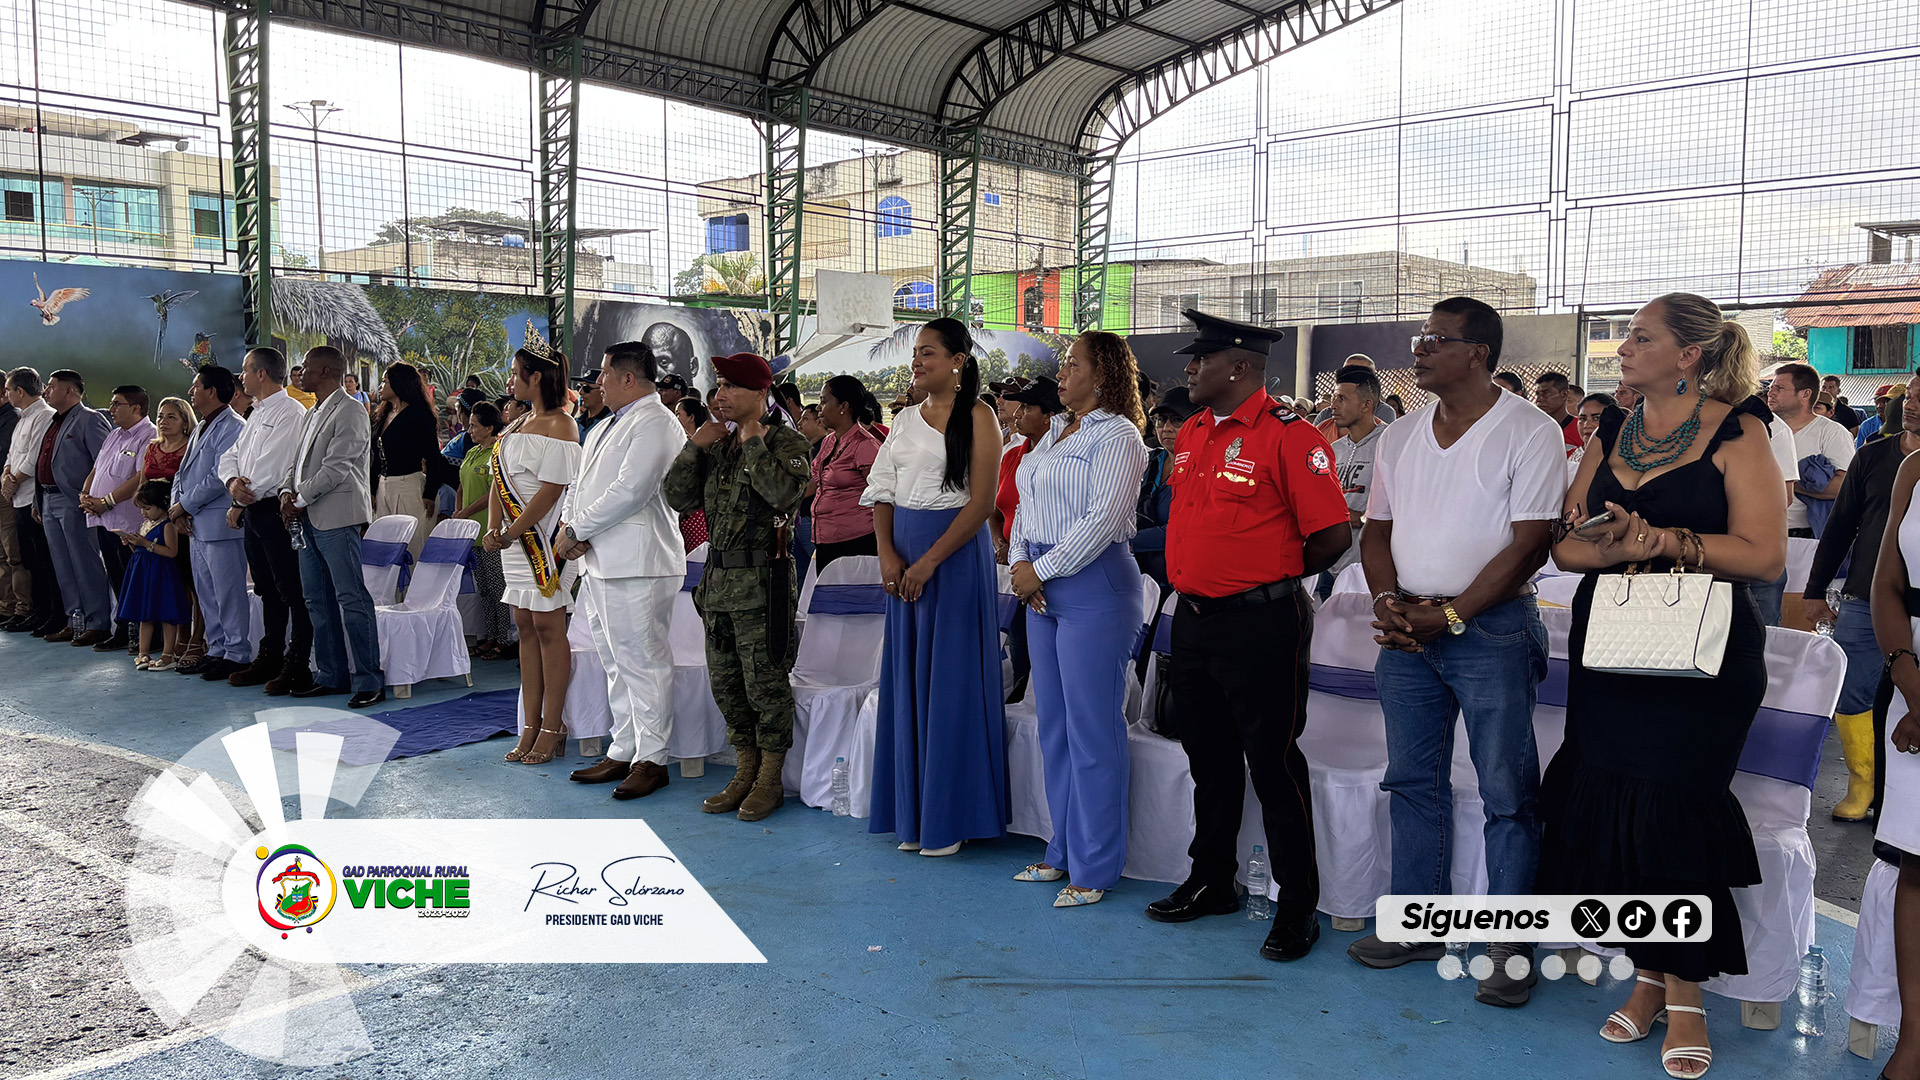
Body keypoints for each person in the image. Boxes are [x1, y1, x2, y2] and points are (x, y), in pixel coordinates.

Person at [1541, 293, 1780, 1076]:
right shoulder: (1611, 427)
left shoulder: (1740, 431)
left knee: (1674, 812)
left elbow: (1765, 554)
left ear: (1689, 356)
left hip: (1702, 657)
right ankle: (1650, 980)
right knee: (1617, 807)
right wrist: (1613, 549)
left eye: (1640, 338)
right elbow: (1566, 546)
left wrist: (1665, 542)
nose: (1623, 350)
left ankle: (1685, 998)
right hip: (1613, 641)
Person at [1349, 297, 1566, 1007]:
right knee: (1412, 782)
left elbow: (1530, 543)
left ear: (1478, 353)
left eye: (1436, 339)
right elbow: (1377, 531)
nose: (1419, 349)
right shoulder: (1400, 435)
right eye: (1420, 337)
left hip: (1492, 630)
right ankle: (1420, 926)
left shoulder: (1529, 431)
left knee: (1508, 793)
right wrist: (1388, 602)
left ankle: (1510, 947)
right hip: (1409, 628)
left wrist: (1450, 615)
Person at [1144, 310, 1349, 963]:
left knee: (1273, 764)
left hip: (1261, 624)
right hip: (1193, 620)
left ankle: (1296, 904)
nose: (1189, 370)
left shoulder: (1290, 437)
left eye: (1199, 359)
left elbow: (1332, 536)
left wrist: (1266, 577)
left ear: (1238, 367)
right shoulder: (1194, 431)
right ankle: (1211, 879)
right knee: (1207, 758)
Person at [1004, 331, 1149, 907]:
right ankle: (1061, 848)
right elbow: (1025, 506)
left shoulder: (1119, 436)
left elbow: (1103, 519)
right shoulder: (1052, 435)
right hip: (1042, 584)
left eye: (1072, 365)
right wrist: (1021, 561)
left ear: (1103, 374)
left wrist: (1038, 570)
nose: (1061, 374)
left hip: (1094, 585)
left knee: (1093, 729)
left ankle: (1096, 865)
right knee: (1055, 727)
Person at [860, 319, 1007, 856]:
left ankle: (950, 817)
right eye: (916, 353)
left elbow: (982, 503)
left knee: (951, 683)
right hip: (903, 558)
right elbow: (882, 491)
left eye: (928, 352)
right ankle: (914, 815)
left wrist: (928, 563)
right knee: (908, 682)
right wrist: (888, 554)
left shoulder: (980, 416)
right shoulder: (902, 419)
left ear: (957, 361)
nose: (917, 361)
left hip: (954, 559)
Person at [665, 352, 812, 821]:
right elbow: (677, 497)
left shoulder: (787, 442)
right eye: (720, 385)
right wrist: (695, 447)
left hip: (763, 586)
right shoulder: (716, 444)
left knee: (766, 686)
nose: (720, 395)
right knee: (727, 686)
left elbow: (784, 496)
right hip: (718, 584)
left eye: (731, 386)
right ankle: (744, 770)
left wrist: (752, 444)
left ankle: (769, 779)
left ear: (760, 393)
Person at [557, 340, 688, 801]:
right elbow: (579, 485)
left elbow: (632, 490)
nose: (598, 383)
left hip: (640, 561)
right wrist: (570, 527)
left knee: (644, 662)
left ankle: (653, 758)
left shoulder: (657, 421)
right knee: (615, 662)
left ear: (628, 378)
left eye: (604, 374)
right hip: (601, 560)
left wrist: (577, 528)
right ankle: (625, 747)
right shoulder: (604, 426)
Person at [1805, 376, 1920, 823]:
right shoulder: (1872, 455)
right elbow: (1840, 525)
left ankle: (1898, 788)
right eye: (1910, 395)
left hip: (1916, 602)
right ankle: (1863, 784)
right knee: (1852, 691)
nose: (1910, 404)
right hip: (1865, 595)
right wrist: (1815, 590)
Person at [485, 346, 581, 765]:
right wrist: (494, 526)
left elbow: (552, 490)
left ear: (536, 376)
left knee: (548, 626)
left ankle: (552, 726)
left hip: (543, 540)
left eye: (515, 372)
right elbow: (498, 479)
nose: (510, 380)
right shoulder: (518, 422)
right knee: (524, 624)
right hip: (513, 541)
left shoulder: (562, 423)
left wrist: (511, 531)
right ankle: (530, 724)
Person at [280, 348, 385, 708]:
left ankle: (370, 680)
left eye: (307, 368)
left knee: (351, 598)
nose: (300, 374)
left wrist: (298, 498)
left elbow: (337, 466)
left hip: (337, 516)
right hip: (308, 515)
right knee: (316, 600)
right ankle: (331, 675)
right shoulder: (313, 412)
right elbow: (297, 462)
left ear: (325, 371)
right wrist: (286, 492)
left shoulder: (351, 409)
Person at [1869, 429, 1920, 1080]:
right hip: (1913, 683)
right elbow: (1887, 586)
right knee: (1918, 862)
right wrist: (1911, 683)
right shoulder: (1914, 468)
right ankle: (1914, 1041)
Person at [220, 347, 313, 694]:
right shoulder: (256, 413)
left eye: (245, 370)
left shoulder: (290, 412)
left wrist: (242, 494)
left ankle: (297, 662)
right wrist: (233, 482)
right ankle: (270, 655)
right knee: (266, 589)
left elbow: (275, 466)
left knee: (291, 589)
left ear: (261, 374)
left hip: (275, 508)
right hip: (253, 510)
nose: (241, 377)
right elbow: (230, 456)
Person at [171, 365, 250, 681]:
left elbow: (219, 476)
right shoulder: (203, 425)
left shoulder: (234, 426)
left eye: (196, 386)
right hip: (196, 524)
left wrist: (184, 505)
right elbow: (182, 473)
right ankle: (216, 649)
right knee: (206, 593)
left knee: (229, 592)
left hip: (219, 524)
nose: (191, 392)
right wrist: (177, 507)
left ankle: (237, 653)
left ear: (212, 391)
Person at [36, 369, 115, 646]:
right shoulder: (54, 422)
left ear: (70, 391)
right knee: (63, 565)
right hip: (49, 499)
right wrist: (37, 500)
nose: (46, 390)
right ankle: (75, 620)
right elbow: (44, 463)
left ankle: (98, 623)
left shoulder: (90, 419)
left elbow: (104, 463)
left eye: (52, 386)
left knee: (85, 563)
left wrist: (92, 498)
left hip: (75, 501)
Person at [79, 385, 156, 652]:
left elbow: (140, 477)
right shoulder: (114, 434)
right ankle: (123, 629)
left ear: (136, 408)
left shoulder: (148, 435)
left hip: (128, 522)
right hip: (105, 520)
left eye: (116, 404)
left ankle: (146, 633)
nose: (111, 409)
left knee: (135, 580)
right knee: (117, 578)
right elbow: (97, 468)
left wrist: (107, 501)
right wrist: (86, 494)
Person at [132, 397, 200, 666]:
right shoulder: (152, 447)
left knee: (193, 582)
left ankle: (197, 637)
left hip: (185, 521)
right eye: (160, 416)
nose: (163, 421)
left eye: (172, 416)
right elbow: (142, 485)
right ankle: (178, 633)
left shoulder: (191, 446)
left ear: (185, 421)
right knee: (173, 583)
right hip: (157, 524)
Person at [1318, 365, 1386, 598]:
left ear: (1366, 405)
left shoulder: (1388, 443)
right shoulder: (1333, 449)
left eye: (1342, 399)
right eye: (1334, 398)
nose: (1333, 406)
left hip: (1369, 568)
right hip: (1330, 566)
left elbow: (1406, 505)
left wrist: (1364, 517)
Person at [1767, 362, 1853, 542]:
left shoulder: (1831, 432)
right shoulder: (1759, 429)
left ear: (1806, 394)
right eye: (1771, 387)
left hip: (1807, 534)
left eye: (1780, 388)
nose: (1771, 393)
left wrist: (1789, 484)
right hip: (1761, 530)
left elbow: (1845, 485)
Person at [454, 401, 512, 659]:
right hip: (471, 532)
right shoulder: (472, 453)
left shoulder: (496, 453)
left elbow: (493, 492)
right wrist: (459, 511)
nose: (470, 431)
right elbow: (460, 485)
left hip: (490, 530)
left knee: (498, 587)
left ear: (489, 428)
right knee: (484, 589)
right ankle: (490, 636)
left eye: (475, 426)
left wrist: (466, 512)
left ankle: (504, 639)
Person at [810, 375, 884, 572]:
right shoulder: (829, 441)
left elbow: (882, 496)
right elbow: (816, 483)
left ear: (843, 406)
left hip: (856, 542)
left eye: (824, 401)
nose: (818, 407)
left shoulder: (865, 445)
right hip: (826, 540)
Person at [113, 480, 189, 670]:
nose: (143, 513)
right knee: (145, 614)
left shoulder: (167, 526)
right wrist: (132, 543)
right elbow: (141, 550)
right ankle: (143, 652)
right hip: (145, 572)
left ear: (162, 505)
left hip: (161, 574)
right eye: (141, 508)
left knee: (166, 613)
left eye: (147, 508)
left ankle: (168, 654)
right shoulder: (146, 524)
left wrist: (146, 544)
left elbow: (171, 552)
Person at [2, 368, 56, 634]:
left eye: (9, 390)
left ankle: (46, 613)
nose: (7, 394)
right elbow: (12, 454)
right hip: (18, 497)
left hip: (32, 497)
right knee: (31, 559)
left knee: (42, 560)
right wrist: (6, 475)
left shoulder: (45, 415)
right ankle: (37, 612)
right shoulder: (23, 417)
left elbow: (34, 457)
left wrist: (11, 481)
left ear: (20, 391)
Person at [373, 362, 440, 556]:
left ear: (398, 383)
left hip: (408, 485)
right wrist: (372, 489)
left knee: (411, 546)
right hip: (383, 485)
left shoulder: (419, 414)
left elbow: (433, 456)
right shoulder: (383, 414)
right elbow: (376, 456)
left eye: (385, 382)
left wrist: (430, 493)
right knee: (385, 547)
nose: (381, 386)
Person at [992, 376, 1062, 563]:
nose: (1017, 414)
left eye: (1026, 407)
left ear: (1049, 417)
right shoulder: (1011, 456)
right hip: (1011, 562)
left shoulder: (1063, 463)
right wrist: (1001, 545)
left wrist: (1017, 553)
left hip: (1049, 562)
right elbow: (993, 511)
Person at [1132, 386, 1194, 589]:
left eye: (1177, 420)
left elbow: (1182, 529)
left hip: (1179, 579)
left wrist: (1127, 543)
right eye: (1161, 420)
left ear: (1197, 422)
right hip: (1137, 575)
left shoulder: (1203, 469)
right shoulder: (1146, 461)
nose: (1166, 428)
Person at [672, 397, 711, 552]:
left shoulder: (704, 444)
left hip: (696, 513)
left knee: (696, 556)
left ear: (691, 417)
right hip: (682, 512)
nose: (675, 418)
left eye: (678, 414)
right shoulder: (678, 440)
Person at [1532, 370, 1584, 454]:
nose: (1539, 399)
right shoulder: (1532, 429)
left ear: (1564, 394)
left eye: (1546, 393)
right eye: (1538, 394)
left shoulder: (1581, 428)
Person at [574, 370, 612, 442]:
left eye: (586, 388)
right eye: (579, 387)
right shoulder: (576, 422)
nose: (580, 392)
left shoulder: (610, 424)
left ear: (603, 390)